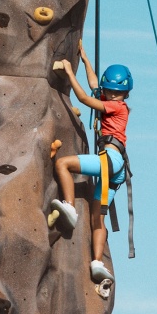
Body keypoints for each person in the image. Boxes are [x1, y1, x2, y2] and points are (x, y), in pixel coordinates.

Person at [51, 43, 134, 286]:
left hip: (110, 161)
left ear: (124, 95)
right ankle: (97, 263)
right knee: (98, 219)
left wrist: (68, 73)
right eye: (110, 91)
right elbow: (94, 85)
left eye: (116, 93)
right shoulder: (112, 98)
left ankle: (69, 206)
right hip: (116, 168)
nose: (111, 95)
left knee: (63, 164)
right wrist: (85, 59)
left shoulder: (116, 107)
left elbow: (85, 97)